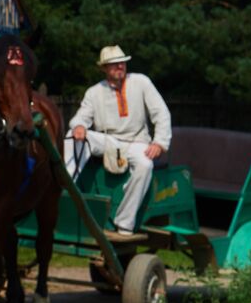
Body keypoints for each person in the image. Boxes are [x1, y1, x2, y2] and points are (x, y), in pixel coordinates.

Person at [64, 44, 172, 238]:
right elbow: (81, 118)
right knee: (74, 135)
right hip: (109, 141)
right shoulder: (94, 92)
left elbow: (161, 113)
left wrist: (159, 142)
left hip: (138, 143)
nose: (119, 67)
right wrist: (79, 126)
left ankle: (124, 223)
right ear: (104, 68)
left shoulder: (141, 82)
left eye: (122, 63)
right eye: (113, 64)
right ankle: (65, 186)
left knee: (146, 165)